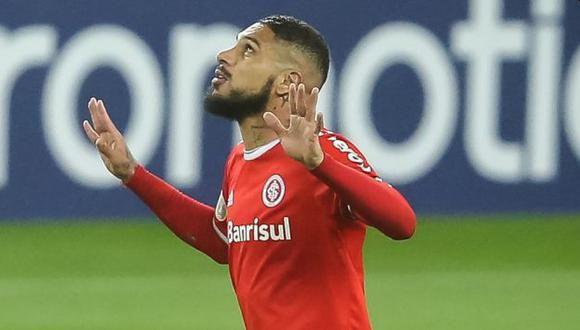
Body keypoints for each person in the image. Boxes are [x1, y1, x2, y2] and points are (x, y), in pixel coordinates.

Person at [82, 15, 416, 330]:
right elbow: (223, 240)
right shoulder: (239, 160)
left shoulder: (321, 152)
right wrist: (133, 175)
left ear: (287, 83)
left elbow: (402, 223)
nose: (224, 55)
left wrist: (320, 164)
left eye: (248, 50)